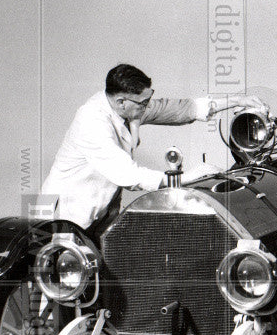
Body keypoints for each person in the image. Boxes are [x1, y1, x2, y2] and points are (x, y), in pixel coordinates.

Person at [40, 64, 265, 233]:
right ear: (121, 102)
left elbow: (180, 109)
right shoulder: (92, 122)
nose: (149, 107)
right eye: (144, 104)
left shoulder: (125, 106)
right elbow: (130, 176)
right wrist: (188, 177)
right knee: (63, 286)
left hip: (100, 211)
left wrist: (237, 100)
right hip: (67, 216)